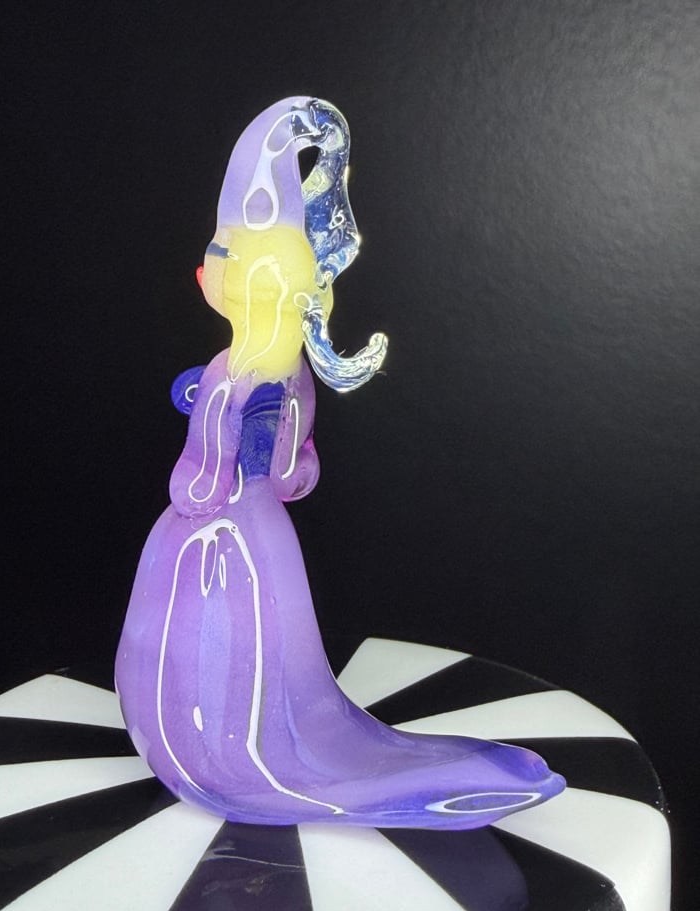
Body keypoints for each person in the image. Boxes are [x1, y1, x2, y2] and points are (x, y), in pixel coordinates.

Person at [115, 97, 564, 828]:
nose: (204, 271)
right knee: (275, 641)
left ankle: (226, 749)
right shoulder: (289, 370)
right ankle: (269, 732)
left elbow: (202, 472)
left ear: (225, 284)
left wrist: (201, 476)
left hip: (213, 536)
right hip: (263, 526)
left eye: (218, 260)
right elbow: (292, 460)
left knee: (212, 642)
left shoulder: (233, 373)